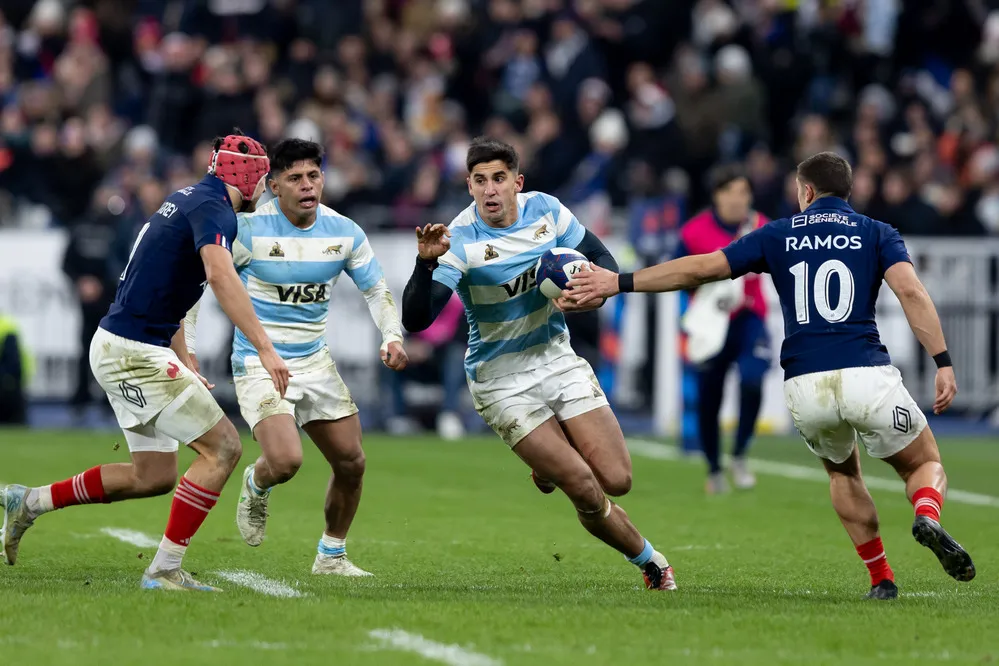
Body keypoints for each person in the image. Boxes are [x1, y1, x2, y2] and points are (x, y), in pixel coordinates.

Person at [567, 151, 976, 599]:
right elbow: (911, 292)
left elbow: (701, 268)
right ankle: (927, 515)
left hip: (805, 385)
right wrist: (942, 361)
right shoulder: (877, 232)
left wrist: (619, 282)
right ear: (849, 191)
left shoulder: (778, 234)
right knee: (923, 462)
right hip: (866, 373)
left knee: (843, 476)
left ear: (806, 192)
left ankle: (881, 579)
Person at [0, 132, 290, 592]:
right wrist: (265, 347)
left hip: (124, 344)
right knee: (225, 449)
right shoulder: (215, 210)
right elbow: (219, 275)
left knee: (152, 476)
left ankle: (29, 501)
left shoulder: (186, 200)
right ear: (247, 174)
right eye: (265, 177)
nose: (266, 187)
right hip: (132, 352)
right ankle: (163, 569)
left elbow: (164, 284)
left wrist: (184, 355)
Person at [402, 136, 677, 591]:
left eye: (499, 179)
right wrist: (424, 265)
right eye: (479, 181)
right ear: (469, 186)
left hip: (556, 359)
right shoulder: (461, 237)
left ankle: (544, 462)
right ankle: (651, 562)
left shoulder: (546, 210)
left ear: (517, 182)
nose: (490, 190)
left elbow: (601, 258)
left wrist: (595, 291)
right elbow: (417, 319)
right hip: (500, 379)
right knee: (585, 487)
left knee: (619, 478)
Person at [184, 138, 408, 576]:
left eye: (314, 176)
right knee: (286, 461)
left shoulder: (344, 231)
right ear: (272, 185)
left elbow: (376, 289)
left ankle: (331, 555)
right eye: (295, 178)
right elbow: (199, 286)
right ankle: (256, 481)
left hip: (315, 362)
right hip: (258, 362)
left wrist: (392, 336)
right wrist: (187, 349)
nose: (308, 186)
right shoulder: (246, 229)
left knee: (352, 462)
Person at [678, 165, 771, 493]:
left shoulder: (760, 226)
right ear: (716, 195)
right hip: (710, 324)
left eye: (743, 192)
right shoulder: (693, 231)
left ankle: (741, 452)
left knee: (753, 379)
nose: (737, 199)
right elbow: (677, 273)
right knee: (709, 396)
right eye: (730, 192)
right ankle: (714, 469)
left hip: (750, 318)